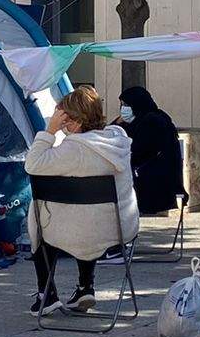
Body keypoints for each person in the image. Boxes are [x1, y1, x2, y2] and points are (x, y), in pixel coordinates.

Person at [25, 84, 139, 314]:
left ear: (76, 120)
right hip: (119, 229)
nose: (63, 125)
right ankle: (86, 286)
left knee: (40, 215)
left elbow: (32, 164)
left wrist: (50, 131)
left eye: (66, 120)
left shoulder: (73, 150)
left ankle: (46, 294)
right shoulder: (118, 140)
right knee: (87, 216)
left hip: (79, 233)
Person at [118, 85, 185, 216]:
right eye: (122, 105)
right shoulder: (139, 120)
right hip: (148, 177)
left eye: (126, 104)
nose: (123, 108)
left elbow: (138, 153)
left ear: (137, 103)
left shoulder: (153, 121)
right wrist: (117, 123)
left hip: (156, 183)